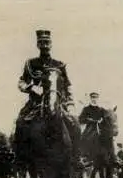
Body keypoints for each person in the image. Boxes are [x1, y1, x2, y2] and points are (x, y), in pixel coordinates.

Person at [14, 29, 83, 170]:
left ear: (51, 44)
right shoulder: (31, 64)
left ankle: (77, 158)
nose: (44, 45)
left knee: (75, 124)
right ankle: (20, 159)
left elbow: (67, 86)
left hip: (57, 103)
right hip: (36, 104)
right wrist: (31, 87)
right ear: (37, 45)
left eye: (47, 42)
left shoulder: (59, 64)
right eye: (41, 43)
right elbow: (21, 82)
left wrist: (70, 104)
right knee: (20, 122)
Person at [78, 92, 116, 165]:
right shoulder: (86, 109)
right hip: (90, 128)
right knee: (85, 137)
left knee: (109, 137)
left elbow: (107, 117)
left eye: (95, 98)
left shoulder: (101, 109)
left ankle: (113, 157)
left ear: (97, 99)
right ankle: (86, 156)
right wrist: (91, 120)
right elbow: (81, 119)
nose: (94, 100)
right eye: (93, 98)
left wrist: (105, 118)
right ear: (90, 99)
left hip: (101, 128)